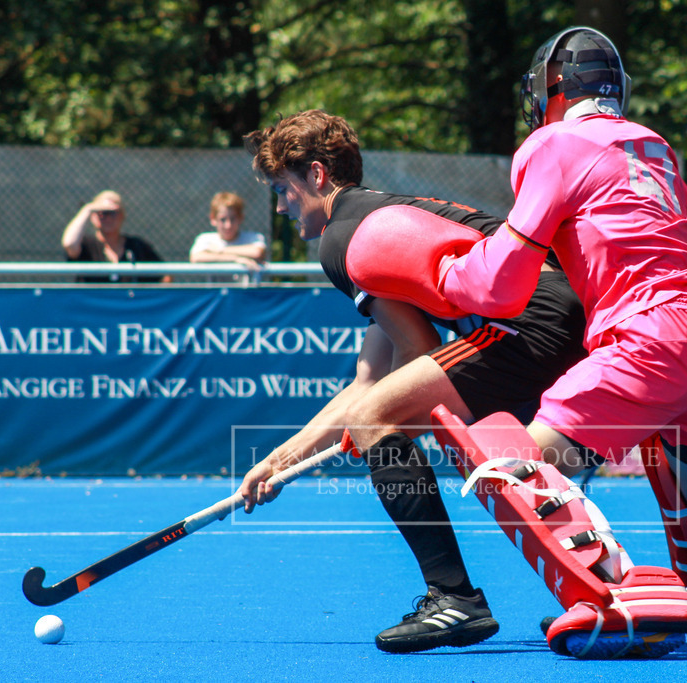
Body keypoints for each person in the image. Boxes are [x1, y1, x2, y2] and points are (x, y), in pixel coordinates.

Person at [431, 27, 687, 649]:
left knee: (518, 465)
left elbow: (499, 286)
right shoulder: (654, 147)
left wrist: (444, 274)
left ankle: (620, 598)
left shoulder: (551, 145)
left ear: (550, 89)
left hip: (650, 332)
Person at [236, 110, 587, 654]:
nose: (281, 207)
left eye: (284, 190)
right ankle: (621, 592)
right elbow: (369, 379)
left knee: (377, 420)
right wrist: (279, 462)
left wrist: (377, 426)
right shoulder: (380, 217)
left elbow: (413, 358)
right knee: (390, 417)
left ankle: (454, 599)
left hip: (533, 321)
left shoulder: (342, 239)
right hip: (570, 317)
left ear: (318, 176)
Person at [61, 190, 169, 283]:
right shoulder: (86, 245)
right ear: (93, 216)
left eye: (113, 213)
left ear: (122, 215)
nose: (108, 218)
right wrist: (88, 208)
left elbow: (165, 275)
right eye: (102, 213)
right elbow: (69, 244)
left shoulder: (136, 245)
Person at [189, 192, 267, 272]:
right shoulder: (204, 238)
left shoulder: (254, 237)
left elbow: (257, 253)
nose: (228, 225)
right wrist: (236, 259)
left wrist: (219, 250)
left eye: (233, 219)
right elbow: (196, 257)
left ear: (241, 218)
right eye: (223, 219)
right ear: (213, 218)